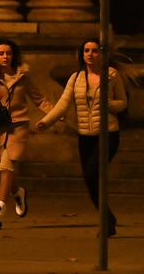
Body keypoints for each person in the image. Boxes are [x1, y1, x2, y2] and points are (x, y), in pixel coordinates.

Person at [37, 38, 127, 237]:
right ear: (82, 54)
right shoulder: (76, 78)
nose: (90, 54)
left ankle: (106, 221)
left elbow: (123, 103)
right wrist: (46, 121)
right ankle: (108, 218)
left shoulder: (111, 75)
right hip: (85, 136)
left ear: (101, 54)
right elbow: (63, 104)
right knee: (89, 178)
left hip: (108, 134)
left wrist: (109, 104)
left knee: (93, 173)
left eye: (94, 50)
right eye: (87, 50)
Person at [0, 37, 53, 230]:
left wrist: (54, 114)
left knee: (7, 166)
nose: (5, 57)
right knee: (3, 167)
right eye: (1, 53)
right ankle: (18, 192)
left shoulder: (22, 75)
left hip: (18, 126)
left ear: (13, 55)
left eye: (8, 53)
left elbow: (39, 99)